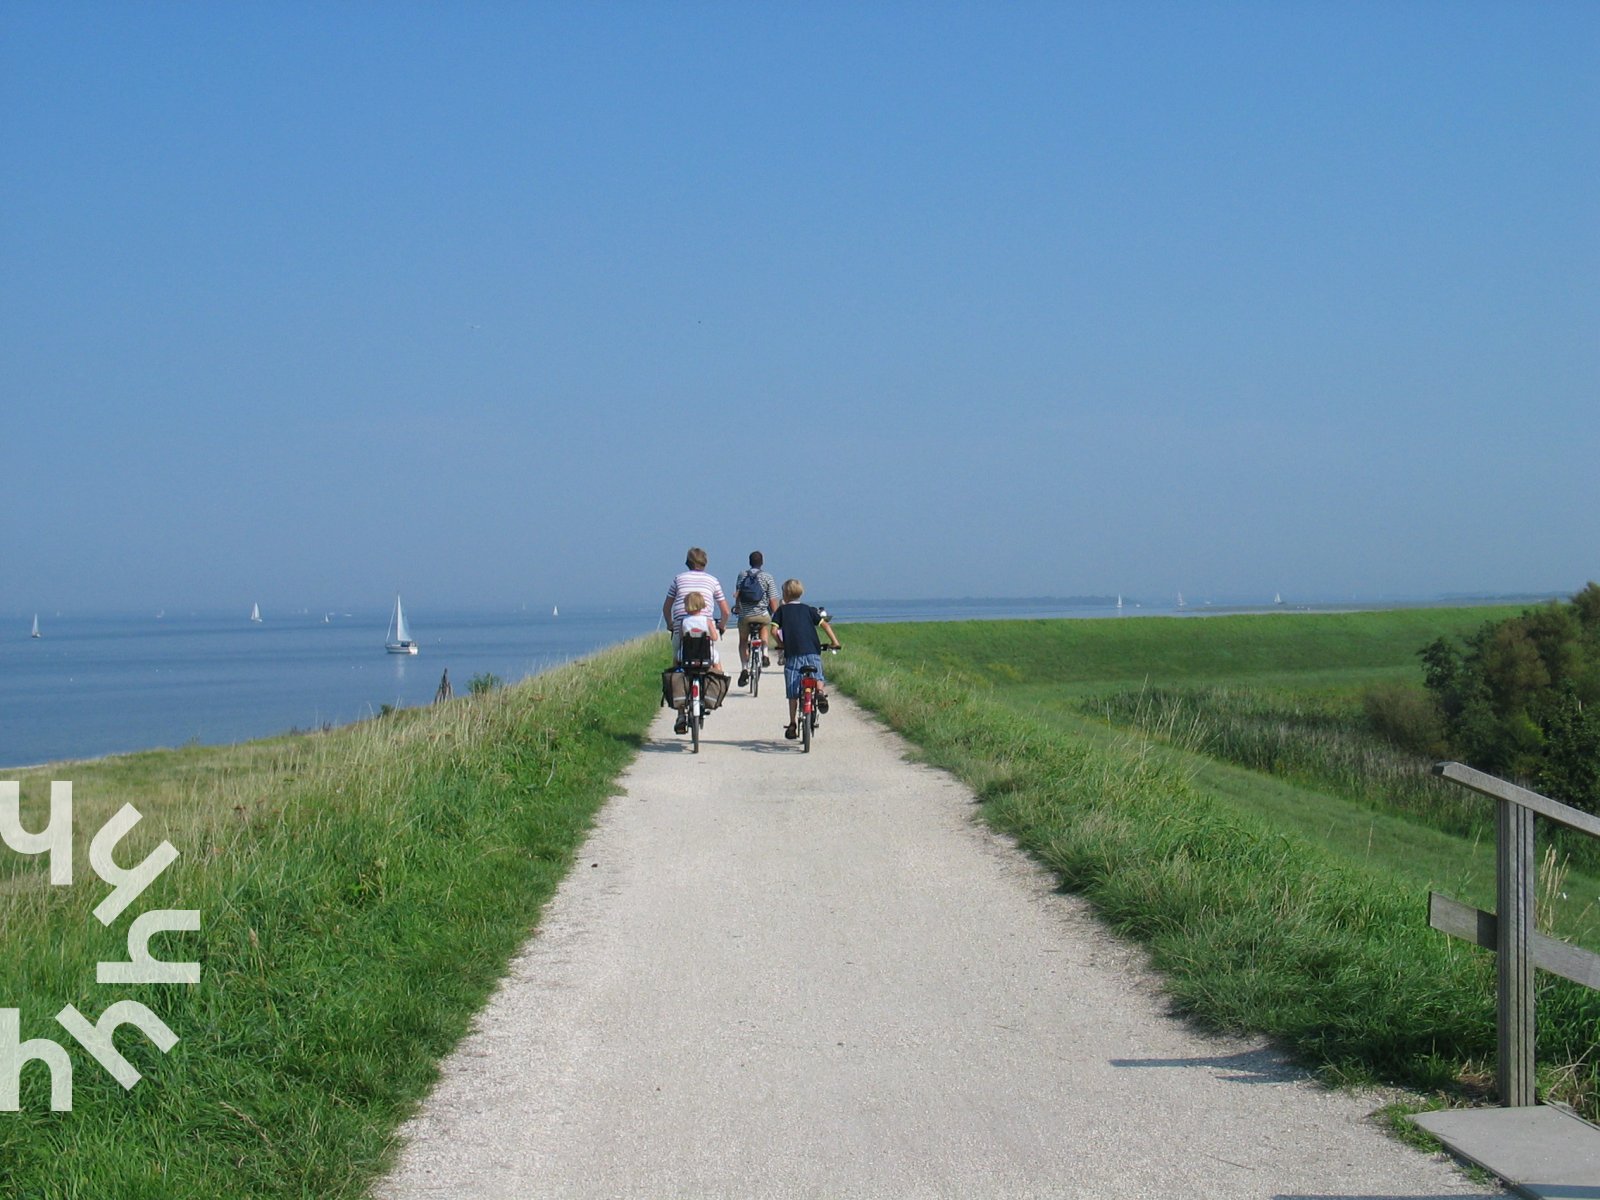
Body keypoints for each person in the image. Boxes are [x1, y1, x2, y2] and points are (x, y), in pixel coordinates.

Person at [769, 578, 841, 740]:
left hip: (793, 654)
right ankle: (820, 693)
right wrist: (835, 642)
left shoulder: (781, 611)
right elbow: (825, 625)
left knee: (793, 690)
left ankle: (793, 723)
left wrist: (782, 645)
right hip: (812, 652)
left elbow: (773, 631)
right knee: (819, 676)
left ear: (785, 595)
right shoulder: (809, 610)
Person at [662, 546, 730, 661]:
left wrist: (670, 624)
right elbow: (726, 611)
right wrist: (722, 625)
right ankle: (717, 677)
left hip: (681, 627)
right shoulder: (713, 581)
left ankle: (676, 675)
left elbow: (666, 608)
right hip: (705, 629)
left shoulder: (678, 579)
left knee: (677, 657)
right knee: (712, 659)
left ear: (688, 563)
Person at [731, 550, 780, 687]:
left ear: (749, 562)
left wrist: (738, 608)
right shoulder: (767, 577)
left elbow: (738, 596)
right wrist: (778, 615)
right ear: (762, 562)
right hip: (762, 614)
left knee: (742, 641)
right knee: (764, 625)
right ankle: (764, 654)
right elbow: (773, 600)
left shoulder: (742, 575)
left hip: (745, 616)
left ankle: (744, 668)